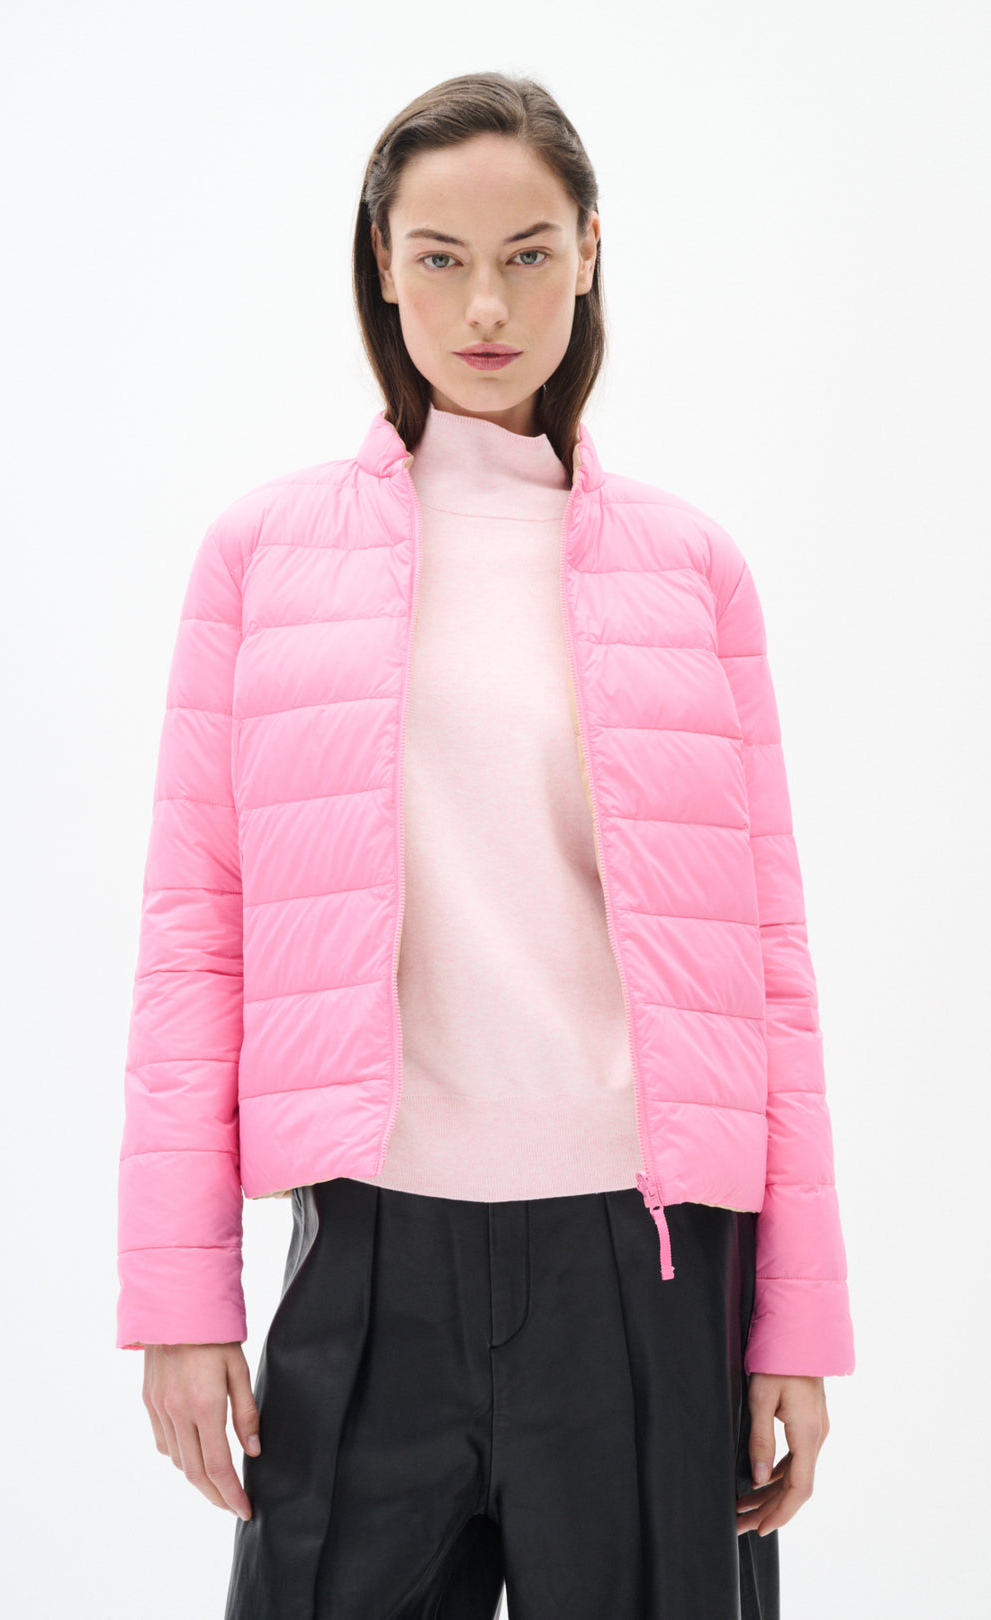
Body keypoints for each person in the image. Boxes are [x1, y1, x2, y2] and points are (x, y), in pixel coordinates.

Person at [116, 71, 855, 1620]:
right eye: (440, 258)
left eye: (527, 253)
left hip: (650, 1262)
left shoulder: (692, 570)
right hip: (370, 1252)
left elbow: (768, 965)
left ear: (590, 252)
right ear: (382, 267)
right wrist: (180, 1295)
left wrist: (795, 1318)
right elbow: (198, 939)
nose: (487, 305)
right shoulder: (261, 558)